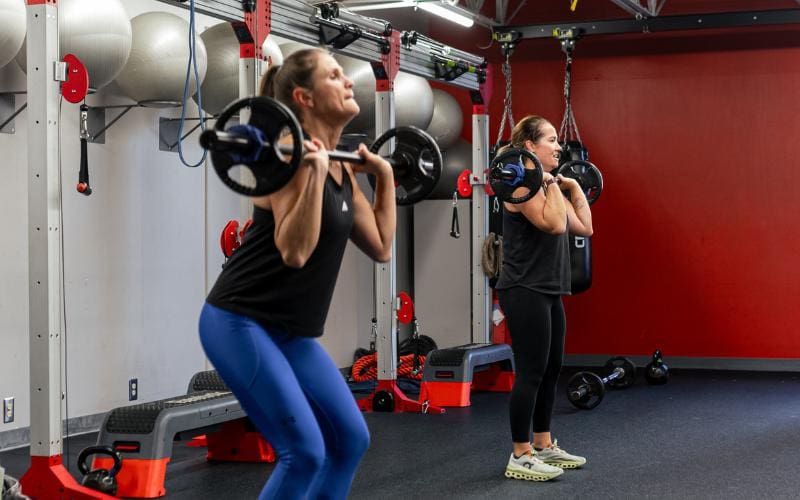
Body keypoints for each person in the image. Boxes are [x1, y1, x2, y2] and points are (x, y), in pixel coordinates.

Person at [199, 48, 396, 499]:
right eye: (335, 75)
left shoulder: (341, 164)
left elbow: (382, 247)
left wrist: (383, 175)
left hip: (291, 333)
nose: (348, 82)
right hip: (239, 321)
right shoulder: (286, 162)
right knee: (303, 452)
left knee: (350, 440)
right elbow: (294, 251)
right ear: (304, 98)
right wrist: (311, 174)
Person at [494, 115, 593, 481]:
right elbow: (554, 224)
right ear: (530, 147)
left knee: (551, 370)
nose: (558, 146)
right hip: (524, 287)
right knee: (532, 371)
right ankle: (520, 453)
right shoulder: (519, 187)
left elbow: (585, 226)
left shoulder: (546, 184)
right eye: (550, 140)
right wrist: (550, 183)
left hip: (549, 287)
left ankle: (543, 443)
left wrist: (571, 185)